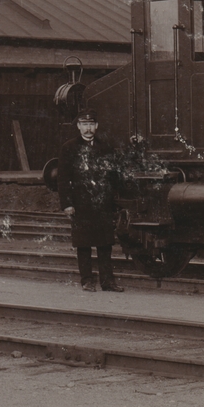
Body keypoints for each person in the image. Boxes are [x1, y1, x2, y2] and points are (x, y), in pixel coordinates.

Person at [57, 112, 124, 292]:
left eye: (91, 124)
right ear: (78, 126)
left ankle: (107, 282)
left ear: (97, 126)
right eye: (84, 124)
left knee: (105, 245)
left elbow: (113, 177)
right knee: (83, 244)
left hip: (102, 204)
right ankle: (87, 281)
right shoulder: (69, 148)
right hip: (81, 205)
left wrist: (115, 202)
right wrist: (67, 204)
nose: (88, 128)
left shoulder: (106, 148)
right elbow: (63, 179)